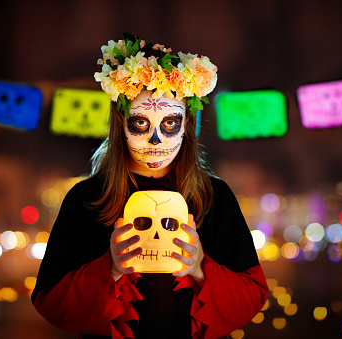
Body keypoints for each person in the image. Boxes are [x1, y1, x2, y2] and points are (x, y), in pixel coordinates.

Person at [32, 33, 268, 339]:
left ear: (187, 125)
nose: (155, 140)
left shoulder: (215, 197)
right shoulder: (86, 199)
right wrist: (109, 270)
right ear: (121, 124)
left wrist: (200, 268)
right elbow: (51, 300)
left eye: (169, 123)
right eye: (141, 123)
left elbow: (251, 295)